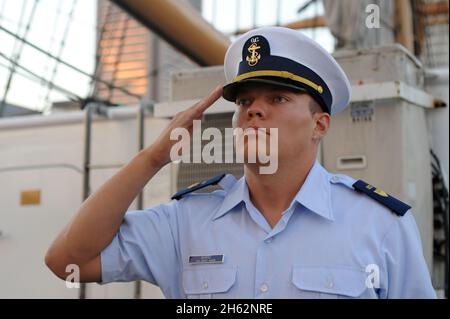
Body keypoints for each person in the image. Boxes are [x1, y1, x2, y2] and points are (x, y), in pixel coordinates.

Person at [45, 26, 436, 298]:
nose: (254, 112)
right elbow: (67, 260)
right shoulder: (186, 223)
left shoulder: (381, 226)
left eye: (278, 99)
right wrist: (153, 158)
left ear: (320, 125)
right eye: (245, 102)